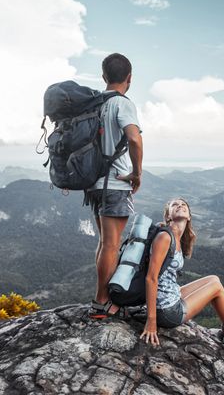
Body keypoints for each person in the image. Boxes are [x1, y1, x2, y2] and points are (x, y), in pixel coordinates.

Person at [140, 198, 224, 347]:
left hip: (169, 298)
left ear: (189, 216)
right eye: (175, 205)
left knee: (214, 279)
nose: (180, 205)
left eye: (183, 204)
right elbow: (151, 278)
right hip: (167, 312)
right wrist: (151, 321)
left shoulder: (175, 238)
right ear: (168, 216)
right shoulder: (165, 237)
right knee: (216, 288)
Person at [87, 53, 143, 319]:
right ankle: (102, 302)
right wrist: (137, 173)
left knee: (104, 243)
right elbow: (134, 139)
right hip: (116, 184)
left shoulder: (95, 105)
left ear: (103, 77)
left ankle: (101, 299)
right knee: (111, 244)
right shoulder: (123, 104)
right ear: (129, 78)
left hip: (94, 184)